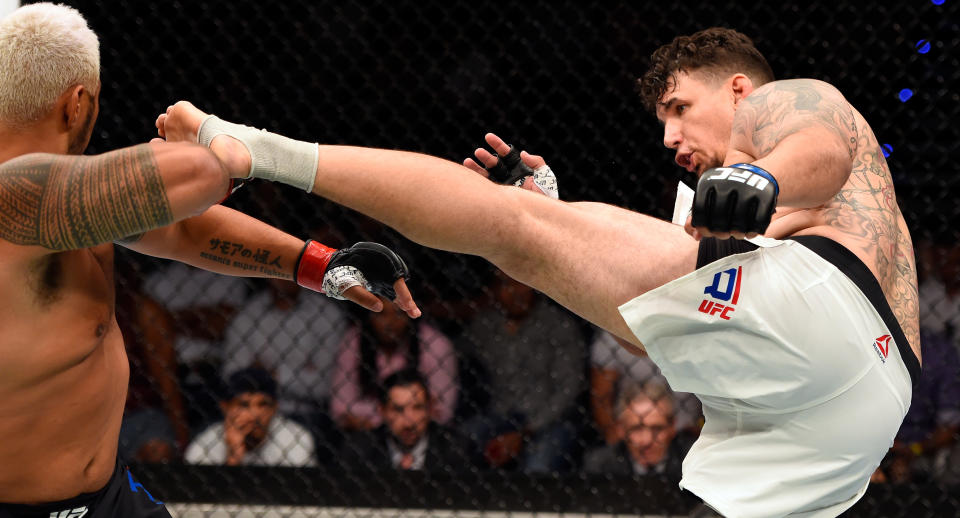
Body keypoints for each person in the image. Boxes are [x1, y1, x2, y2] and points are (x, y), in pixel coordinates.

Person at [159, 25, 921, 517]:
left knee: (509, 228)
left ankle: (247, 147)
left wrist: (765, 181)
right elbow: (650, 339)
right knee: (536, 231)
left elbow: (825, 153)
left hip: (836, 315)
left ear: (735, 87)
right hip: (827, 429)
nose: (668, 134)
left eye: (678, 107)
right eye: (660, 120)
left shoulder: (780, 108)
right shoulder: (710, 213)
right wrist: (561, 243)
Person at [0, 4, 418, 517]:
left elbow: (176, 230)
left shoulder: (63, 200)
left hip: (105, 496)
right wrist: (208, 132)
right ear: (78, 103)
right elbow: (197, 173)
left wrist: (322, 265)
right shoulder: (17, 197)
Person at [457, 269, 586, 473]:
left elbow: (568, 389)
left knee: (539, 466)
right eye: (506, 284)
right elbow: (457, 358)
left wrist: (526, 432)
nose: (515, 291)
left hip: (546, 420)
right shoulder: (484, 325)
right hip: (497, 414)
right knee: (462, 441)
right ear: (494, 289)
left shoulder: (557, 325)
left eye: (520, 282)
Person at [332, 296, 458, 432]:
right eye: (381, 313)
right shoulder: (354, 341)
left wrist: (374, 416)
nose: (390, 322)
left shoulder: (436, 344)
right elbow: (340, 408)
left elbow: (442, 412)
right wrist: (402, 415)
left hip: (426, 436)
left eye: (399, 312)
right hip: (368, 437)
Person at [343, 369, 476, 472]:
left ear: (430, 409)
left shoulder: (456, 449)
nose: (409, 422)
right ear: (382, 411)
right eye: (398, 410)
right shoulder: (360, 450)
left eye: (417, 408)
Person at [184, 367, 316, 466]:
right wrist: (233, 456)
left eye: (263, 404)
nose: (254, 415)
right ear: (226, 407)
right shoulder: (205, 443)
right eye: (243, 405)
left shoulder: (295, 439)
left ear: (275, 408)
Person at [589, 329, 701, 446]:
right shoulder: (613, 335)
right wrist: (616, 439)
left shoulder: (693, 332)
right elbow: (601, 397)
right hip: (633, 430)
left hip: (688, 429)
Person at [583, 379, 684, 479]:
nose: (647, 440)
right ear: (621, 429)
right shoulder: (599, 466)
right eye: (636, 429)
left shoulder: (693, 463)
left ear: (672, 427)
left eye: (657, 429)